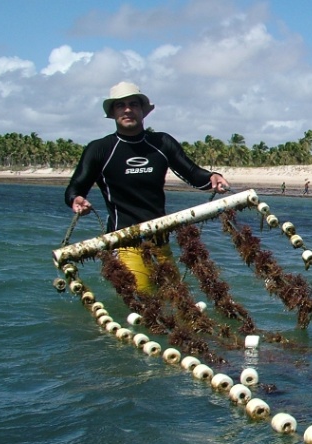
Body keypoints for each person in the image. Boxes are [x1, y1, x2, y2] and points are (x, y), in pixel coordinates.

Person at [64, 81, 230, 292]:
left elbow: (192, 173)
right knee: (144, 302)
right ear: (113, 112)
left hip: (160, 239)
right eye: (120, 105)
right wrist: (76, 199)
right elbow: (75, 188)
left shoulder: (161, 143)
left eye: (133, 104)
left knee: (176, 301)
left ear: (143, 110)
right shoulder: (100, 149)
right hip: (124, 242)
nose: (127, 110)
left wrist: (212, 177)